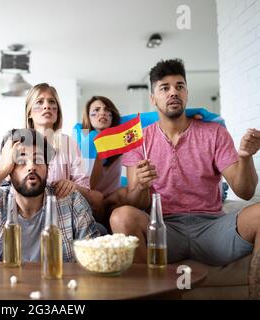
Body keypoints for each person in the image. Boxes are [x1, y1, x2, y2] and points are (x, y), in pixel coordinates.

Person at [111, 59, 260, 298]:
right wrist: (140, 184)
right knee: (121, 216)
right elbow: (136, 204)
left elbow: (245, 191)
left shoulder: (214, 133)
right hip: (164, 229)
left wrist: (245, 158)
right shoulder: (138, 140)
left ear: (187, 94)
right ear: (153, 99)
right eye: (164, 87)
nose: (173, 92)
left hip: (212, 226)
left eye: (179, 86)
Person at [0, 128, 99, 262]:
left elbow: (93, 260)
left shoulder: (71, 201)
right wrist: (2, 170)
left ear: (48, 168)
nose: (31, 167)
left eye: (39, 159)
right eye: (20, 161)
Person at [25, 83, 104, 221]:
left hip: (65, 218)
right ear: (29, 113)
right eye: (39, 102)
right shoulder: (18, 144)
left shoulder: (70, 144)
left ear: (57, 112)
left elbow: (87, 192)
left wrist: (74, 187)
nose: (46, 106)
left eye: (51, 102)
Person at [75, 96, 128, 232]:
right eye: (96, 110)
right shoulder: (83, 139)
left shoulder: (119, 138)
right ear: (89, 117)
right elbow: (87, 187)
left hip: (110, 200)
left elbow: (148, 118)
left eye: (106, 110)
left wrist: (190, 113)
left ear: (112, 116)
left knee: (124, 193)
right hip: (90, 198)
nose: (102, 113)